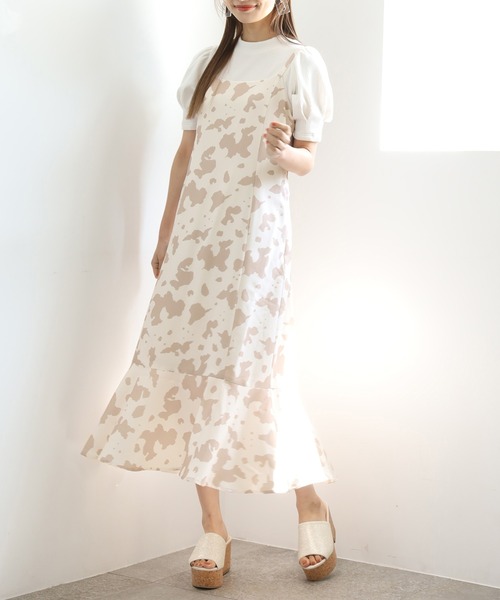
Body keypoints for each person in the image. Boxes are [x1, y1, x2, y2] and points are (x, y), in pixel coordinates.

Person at [82, 0, 336, 589]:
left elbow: (307, 160)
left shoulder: (300, 63)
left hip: (255, 240)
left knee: (257, 368)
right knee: (195, 367)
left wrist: (283, 152)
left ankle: (310, 505)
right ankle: (213, 525)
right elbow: (185, 155)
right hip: (196, 240)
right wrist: (165, 234)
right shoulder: (206, 65)